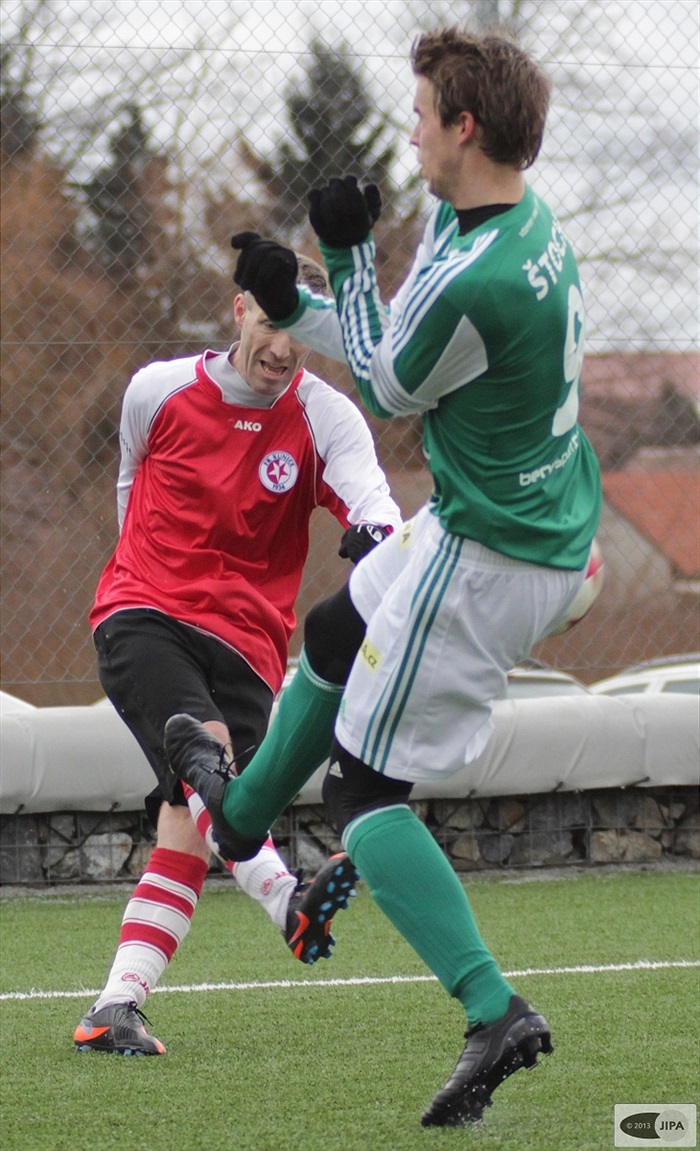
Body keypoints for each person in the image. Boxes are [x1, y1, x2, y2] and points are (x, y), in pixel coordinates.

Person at [165, 28, 602, 1126]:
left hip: (488, 553)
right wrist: (299, 300)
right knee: (332, 626)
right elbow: (400, 341)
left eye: (419, 113)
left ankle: (494, 1009)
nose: (409, 132)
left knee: (363, 795)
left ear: (464, 125)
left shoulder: (482, 276)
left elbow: (394, 386)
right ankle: (242, 816)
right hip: (513, 520)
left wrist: (345, 257)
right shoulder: (511, 224)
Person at [72, 251, 402, 1056]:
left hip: (250, 647)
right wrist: (143, 574)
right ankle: (287, 899)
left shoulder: (325, 417)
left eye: (299, 332)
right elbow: (128, 489)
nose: (283, 347)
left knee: (199, 821)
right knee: (206, 754)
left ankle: (114, 1006)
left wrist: (378, 536)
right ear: (239, 309)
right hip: (145, 611)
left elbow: (374, 500)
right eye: (271, 322)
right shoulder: (157, 390)